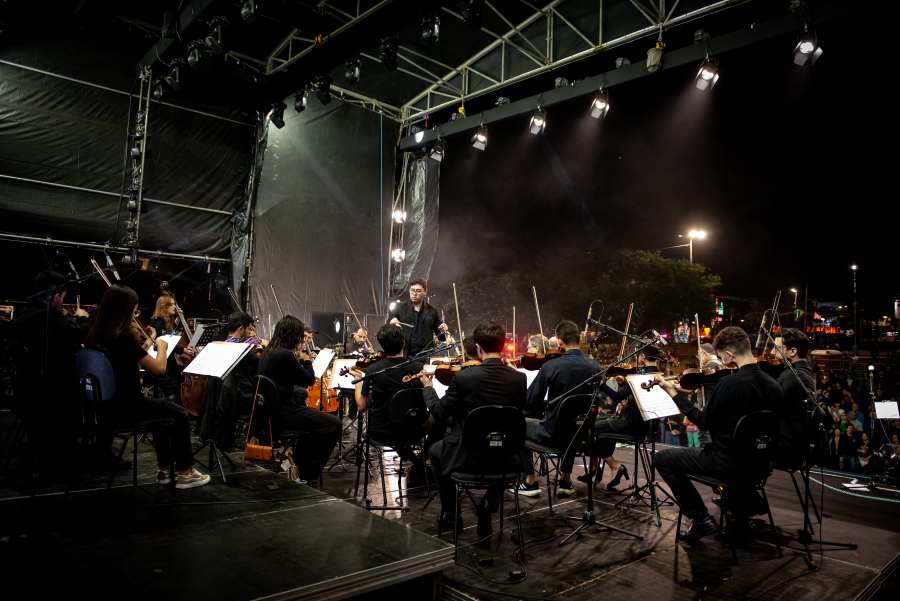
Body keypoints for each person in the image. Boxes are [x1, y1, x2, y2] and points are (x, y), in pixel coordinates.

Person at [652, 326, 782, 542]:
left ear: (729, 354)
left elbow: (703, 422)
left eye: (722, 356)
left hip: (728, 464)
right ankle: (741, 513)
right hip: (761, 464)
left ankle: (701, 519)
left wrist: (674, 394)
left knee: (663, 459)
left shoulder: (729, 384)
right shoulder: (774, 385)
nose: (722, 361)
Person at [84, 285, 210, 489]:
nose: (135, 317)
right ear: (124, 312)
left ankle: (164, 470)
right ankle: (185, 472)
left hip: (103, 407)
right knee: (179, 413)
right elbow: (159, 368)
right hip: (128, 406)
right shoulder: (123, 339)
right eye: (133, 312)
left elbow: (130, 359)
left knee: (162, 412)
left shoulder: (95, 335)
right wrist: (162, 346)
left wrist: (143, 346)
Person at [420, 322, 526, 536]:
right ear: (504, 346)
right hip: (506, 458)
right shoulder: (519, 379)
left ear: (478, 348)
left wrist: (429, 389)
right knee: (501, 450)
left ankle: (451, 512)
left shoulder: (465, 378)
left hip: (468, 456)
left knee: (435, 451)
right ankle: (489, 503)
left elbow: (439, 413)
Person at [13, 270, 91, 472]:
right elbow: (73, 338)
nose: (62, 302)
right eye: (63, 297)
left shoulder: (25, 315)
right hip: (52, 392)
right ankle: (62, 461)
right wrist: (82, 319)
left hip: (26, 389)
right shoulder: (47, 318)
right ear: (56, 295)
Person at [258, 315, 341, 483]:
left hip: (268, 413)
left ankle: (299, 464)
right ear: (292, 335)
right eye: (299, 336)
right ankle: (307, 474)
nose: (300, 340)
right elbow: (309, 379)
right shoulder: (285, 355)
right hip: (284, 414)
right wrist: (306, 361)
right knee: (334, 423)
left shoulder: (269, 352)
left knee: (314, 427)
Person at [355, 325, 430, 476]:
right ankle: (421, 464)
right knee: (440, 423)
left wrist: (358, 381)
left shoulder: (373, 370)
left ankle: (417, 464)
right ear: (403, 342)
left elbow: (362, 407)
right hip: (413, 430)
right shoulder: (418, 368)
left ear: (382, 345)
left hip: (381, 432)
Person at [388, 278, 449, 357]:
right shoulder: (399, 308)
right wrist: (392, 321)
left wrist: (443, 330)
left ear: (425, 292)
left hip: (425, 355)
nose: (414, 293)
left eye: (418, 291)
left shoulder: (432, 311)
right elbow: (389, 324)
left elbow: (441, 337)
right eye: (412, 290)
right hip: (404, 355)